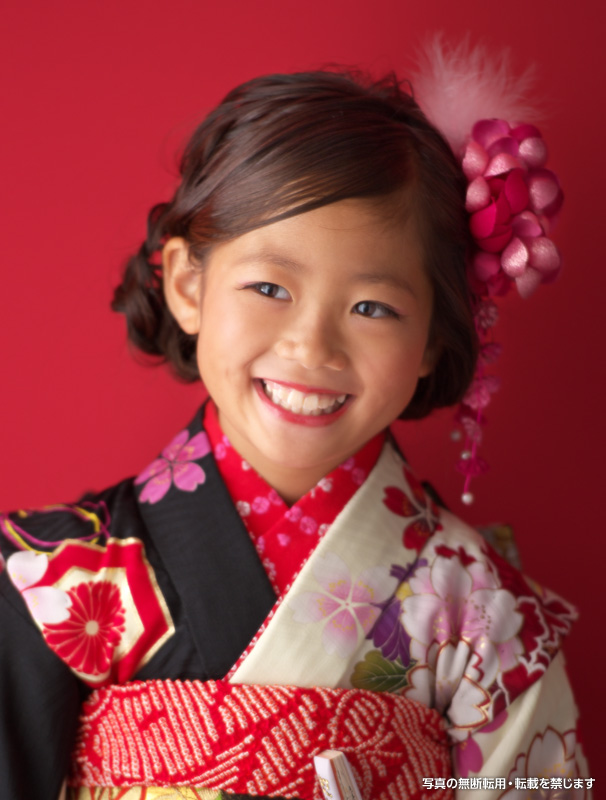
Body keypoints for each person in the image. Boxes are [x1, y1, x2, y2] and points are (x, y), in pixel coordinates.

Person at [0, 57, 591, 800]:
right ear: (187, 284)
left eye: (373, 307)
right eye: (269, 287)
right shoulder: (52, 579)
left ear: (435, 339)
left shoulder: (481, 610)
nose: (312, 348)